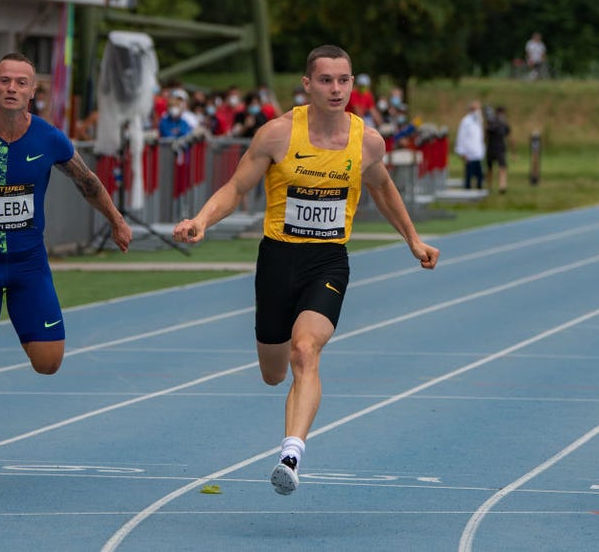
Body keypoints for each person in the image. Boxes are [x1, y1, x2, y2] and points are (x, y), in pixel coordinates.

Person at [172, 45, 439, 496]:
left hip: (328, 261)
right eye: (326, 80)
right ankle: (288, 427)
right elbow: (237, 187)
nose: (336, 89)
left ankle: (290, 455)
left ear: (353, 84)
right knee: (274, 371)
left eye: (344, 80)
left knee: (305, 351)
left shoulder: (367, 141)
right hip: (277, 260)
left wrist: (413, 240)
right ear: (308, 84)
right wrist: (200, 219)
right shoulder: (277, 135)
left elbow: (383, 189)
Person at [0, 52, 133, 486]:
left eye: (21, 82)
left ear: (33, 91)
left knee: (48, 363)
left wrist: (117, 220)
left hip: (29, 265)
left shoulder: (49, 138)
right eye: (5, 81)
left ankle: (23, 325)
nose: (12, 88)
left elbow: (86, 180)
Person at [455, 101, 485, 190]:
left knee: (480, 176)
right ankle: (467, 191)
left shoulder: (479, 121)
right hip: (469, 154)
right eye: (476, 109)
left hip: (478, 153)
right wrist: (462, 152)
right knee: (469, 176)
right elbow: (461, 137)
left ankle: (479, 191)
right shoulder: (466, 121)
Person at [485, 105, 512, 194]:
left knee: (502, 168)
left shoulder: (504, 124)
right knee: (490, 169)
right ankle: (489, 186)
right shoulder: (491, 123)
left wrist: (513, 150)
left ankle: (502, 186)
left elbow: (509, 136)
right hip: (492, 148)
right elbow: (486, 135)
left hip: (500, 148)